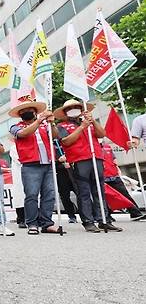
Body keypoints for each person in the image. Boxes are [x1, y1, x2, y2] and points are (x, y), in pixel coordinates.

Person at [55, 99, 121, 232]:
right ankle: (88, 221)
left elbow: (102, 134)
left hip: (96, 157)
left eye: (76, 107)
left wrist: (92, 121)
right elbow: (66, 142)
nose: (74, 109)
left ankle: (104, 219)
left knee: (99, 190)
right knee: (83, 192)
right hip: (79, 161)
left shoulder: (90, 123)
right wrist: (82, 127)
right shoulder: (62, 126)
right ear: (65, 112)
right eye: (70, 108)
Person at [8, 97, 63, 235]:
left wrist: (52, 123)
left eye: (30, 110)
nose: (27, 112)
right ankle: (32, 223)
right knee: (31, 195)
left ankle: (47, 223)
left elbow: (56, 136)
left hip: (48, 164)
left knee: (49, 194)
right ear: (20, 114)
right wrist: (39, 121)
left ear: (35, 111)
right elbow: (23, 134)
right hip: (30, 165)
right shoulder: (16, 127)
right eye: (24, 111)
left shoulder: (45, 126)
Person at [101, 140, 145, 221]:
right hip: (102, 176)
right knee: (105, 198)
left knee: (125, 195)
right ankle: (107, 216)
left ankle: (135, 213)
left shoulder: (107, 147)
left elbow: (114, 159)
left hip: (113, 175)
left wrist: (117, 170)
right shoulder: (92, 148)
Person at [7, 138, 26, 228]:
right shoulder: (14, 148)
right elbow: (19, 159)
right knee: (20, 196)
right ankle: (21, 218)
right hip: (19, 174)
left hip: (30, 173)